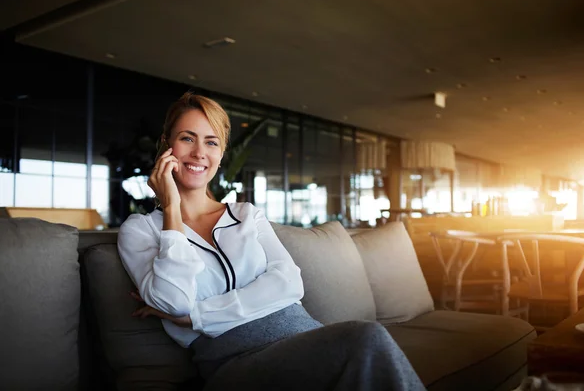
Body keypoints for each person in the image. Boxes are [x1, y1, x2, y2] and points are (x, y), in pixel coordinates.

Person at [117, 92, 426, 390]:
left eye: (211, 142)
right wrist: (171, 208)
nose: (199, 152)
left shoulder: (246, 215)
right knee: (367, 338)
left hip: (306, 338)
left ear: (221, 154)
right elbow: (173, 302)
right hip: (235, 362)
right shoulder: (142, 230)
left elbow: (290, 283)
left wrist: (198, 316)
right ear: (166, 146)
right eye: (187, 138)